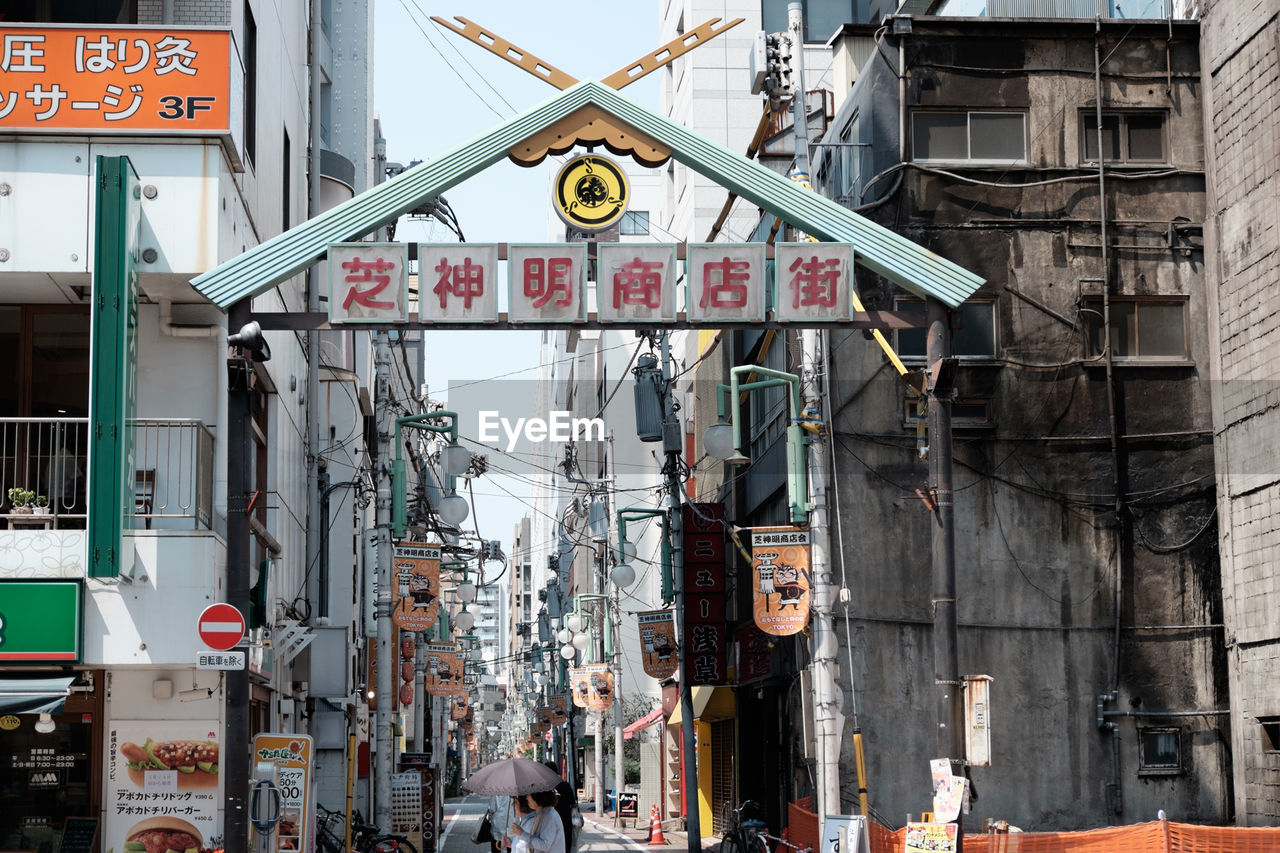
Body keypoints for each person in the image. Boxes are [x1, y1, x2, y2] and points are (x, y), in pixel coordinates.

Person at [544, 761, 577, 853]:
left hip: (548, 821)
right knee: (566, 844)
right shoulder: (565, 785)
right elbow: (573, 804)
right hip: (565, 820)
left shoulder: (544, 787)